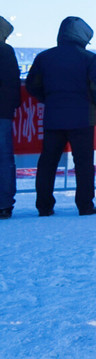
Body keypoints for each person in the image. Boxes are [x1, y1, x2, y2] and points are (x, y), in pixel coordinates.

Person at [25, 16, 96, 217]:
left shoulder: (44, 58)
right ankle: (85, 205)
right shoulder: (89, 59)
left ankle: (44, 206)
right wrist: (94, 103)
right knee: (83, 163)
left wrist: (49, 98)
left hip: (54, 117)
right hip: (83, 118)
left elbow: (32, 85)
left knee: (48, 162)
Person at [0, 16, 20, 219]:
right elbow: (11, 82)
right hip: (2, 113)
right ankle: (4, 204)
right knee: (4, 158)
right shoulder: (5, 51)